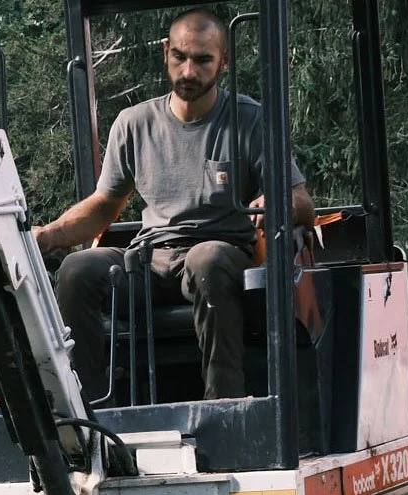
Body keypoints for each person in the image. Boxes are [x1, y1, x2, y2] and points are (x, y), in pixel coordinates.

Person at [34, 6, 314, 401]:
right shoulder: (133, 124)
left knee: (207, 259)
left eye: (202, 60)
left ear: (224, 62)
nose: (188, 72)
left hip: (223, 259)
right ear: (165, 51)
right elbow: (103, 205)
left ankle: (225, 409)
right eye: (180, 57)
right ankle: (90, 412)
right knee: (77, 269)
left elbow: (303, 203)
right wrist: (48, 236)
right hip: (151, 262)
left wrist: (277, 200)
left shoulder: (251, 120)